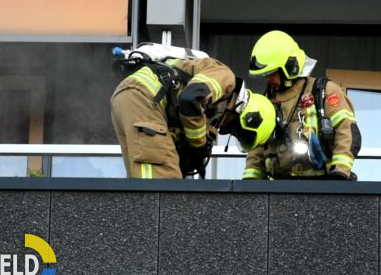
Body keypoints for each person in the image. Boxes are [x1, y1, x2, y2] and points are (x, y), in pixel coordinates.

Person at [111, 45, 276, 179]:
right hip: (146, 99)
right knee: (165, 185)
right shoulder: (225, 77)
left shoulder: (215, 106)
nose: (224, 127)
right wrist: (198, 144)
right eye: (236, 129)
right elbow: (190, 98)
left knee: (141, 179)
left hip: (129, 100)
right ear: (247, 114)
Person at [242, 31, 361, 180]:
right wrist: (250, 182)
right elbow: (257, 147)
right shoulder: (267, 101)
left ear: (290, 66)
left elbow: (346, 131)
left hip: (322, 183)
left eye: (272, 73)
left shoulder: (325, 92)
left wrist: (340, 173)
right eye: (265, 74)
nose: (268, 79)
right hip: (277, 186)